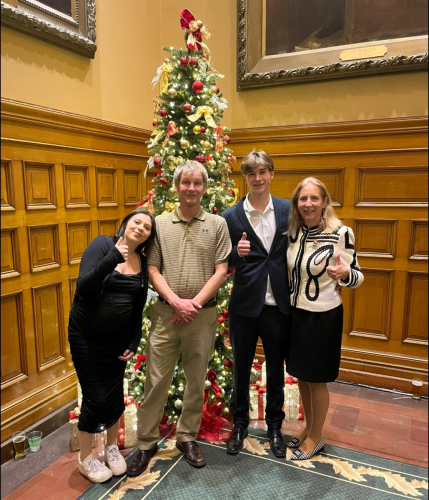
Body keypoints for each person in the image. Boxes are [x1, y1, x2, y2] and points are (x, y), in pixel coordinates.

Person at [127, 161, 232, 476]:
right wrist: (175, 302)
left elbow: (222, 270)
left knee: (196, 379)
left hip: (202, 314)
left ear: (204, 187)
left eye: (197, 183)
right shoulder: (158, 223)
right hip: (165, 313)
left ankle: (187, 436)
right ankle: (146, 443)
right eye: (185, 182)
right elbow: (153, 270)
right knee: (156, 380)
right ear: (176, 186)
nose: (191, 188)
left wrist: (194, 305)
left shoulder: (217, 224)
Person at [68, 209, 155, 482]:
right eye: (136, 222)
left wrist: (134, 338)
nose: (140, 228)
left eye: (147, 227)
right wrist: (112, 259)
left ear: (149, 236)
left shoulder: (142, 260)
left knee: (115, 396)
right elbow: (84, 286)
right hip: (86, 337)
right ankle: (86, 458)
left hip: (117, 341)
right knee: (96, 398)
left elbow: (137, 307)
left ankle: (110, 449)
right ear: (126, 224)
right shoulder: (103, 245)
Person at [286, 177, 364, 460]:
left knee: (317, 379)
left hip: (324, 316)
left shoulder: (342, 233)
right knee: (303, 378)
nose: (308, 204)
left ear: (324, 202)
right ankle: (309, 426)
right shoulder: (293, 233)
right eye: (303, 199)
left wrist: (346, 275)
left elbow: (358, 276)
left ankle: (317, 436)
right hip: (297, 313)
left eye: (313, 198)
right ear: (297, 204)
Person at [222, 150, 291, 458]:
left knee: (276, 369)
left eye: (263, 171)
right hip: (245, 305)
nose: (258, 178)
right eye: (251, 174)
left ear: (271, 174)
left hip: (279, 305)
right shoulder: (230, 216)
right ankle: (239, 426)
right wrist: (238, 252)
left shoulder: (289, 210)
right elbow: (222, 261)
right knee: (241, 368)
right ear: (245, 178)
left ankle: (275, 427)